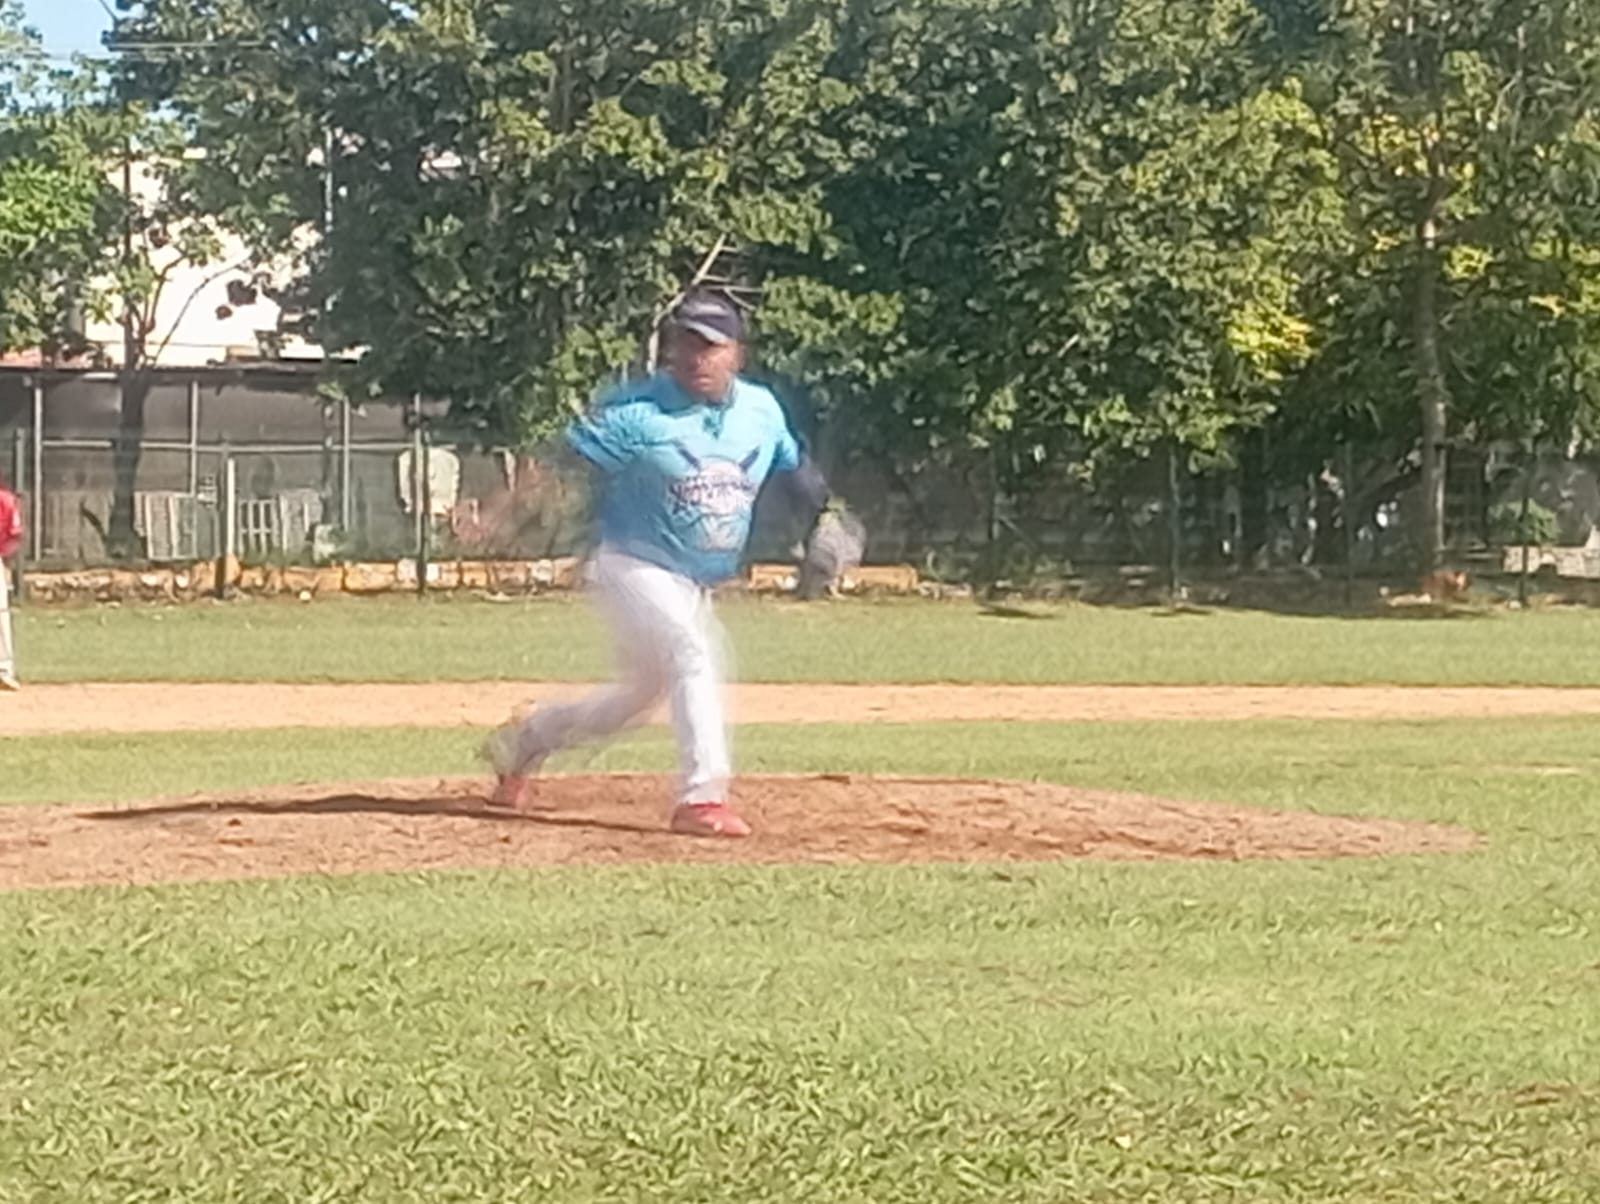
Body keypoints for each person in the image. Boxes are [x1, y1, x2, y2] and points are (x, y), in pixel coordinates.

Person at [482, 291, 830, 837]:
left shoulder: (761, 411)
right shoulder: (637, 412)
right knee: (695, 650)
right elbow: (560, 463)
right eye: (686, 342)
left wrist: (825, 517)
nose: (696, 356)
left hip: (695, 581)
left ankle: (528, 740)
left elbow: (795, 469)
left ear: (737, 353)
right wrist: (501, 515)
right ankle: (702, 798)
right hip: (631, 564)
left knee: (636, 699)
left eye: (710, 345)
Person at [0, 478, 23, 692]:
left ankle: (3, 670)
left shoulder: (5, 501)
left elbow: (13, 537)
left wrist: (6, 563)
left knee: (0, 614)